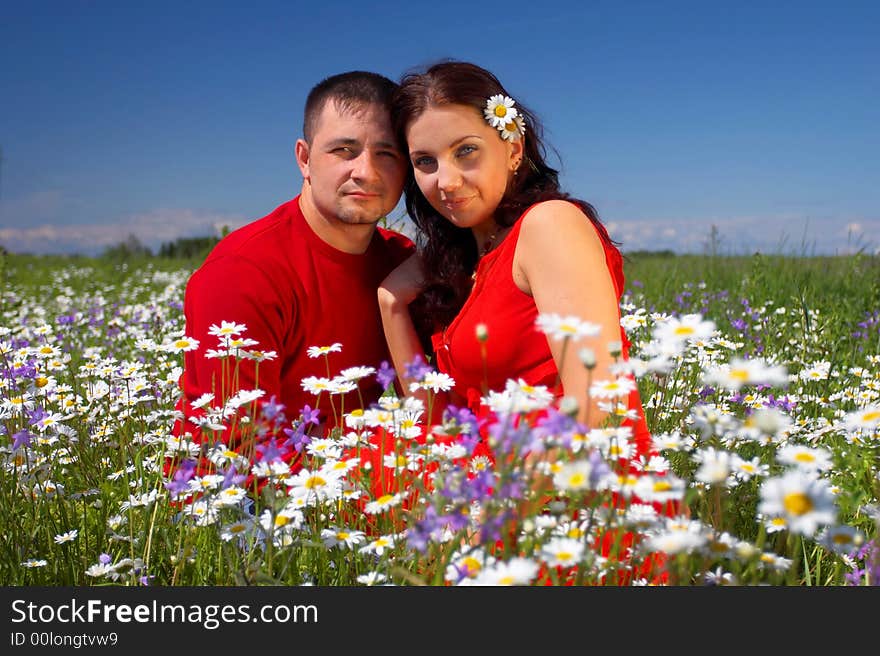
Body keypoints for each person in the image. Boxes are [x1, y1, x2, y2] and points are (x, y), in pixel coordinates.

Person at [356, 61, 673, 582]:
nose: (446, 181)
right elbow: (438, 421)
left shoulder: (549, 227)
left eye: (466, 151)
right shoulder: (470, 263)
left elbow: (597, 408)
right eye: (425, 161)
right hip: (494, 490)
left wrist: (486, 511)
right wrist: (391, 300)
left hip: (574, 507)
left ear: (513, 147)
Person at [171, 71, 413, 477]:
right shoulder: (243, 271)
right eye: (344, 150)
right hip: (243, 505)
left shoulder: (402, 265)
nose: (367, 172)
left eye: (387, 154)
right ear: (304, 158)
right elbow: (236, 448)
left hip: (355, 477)